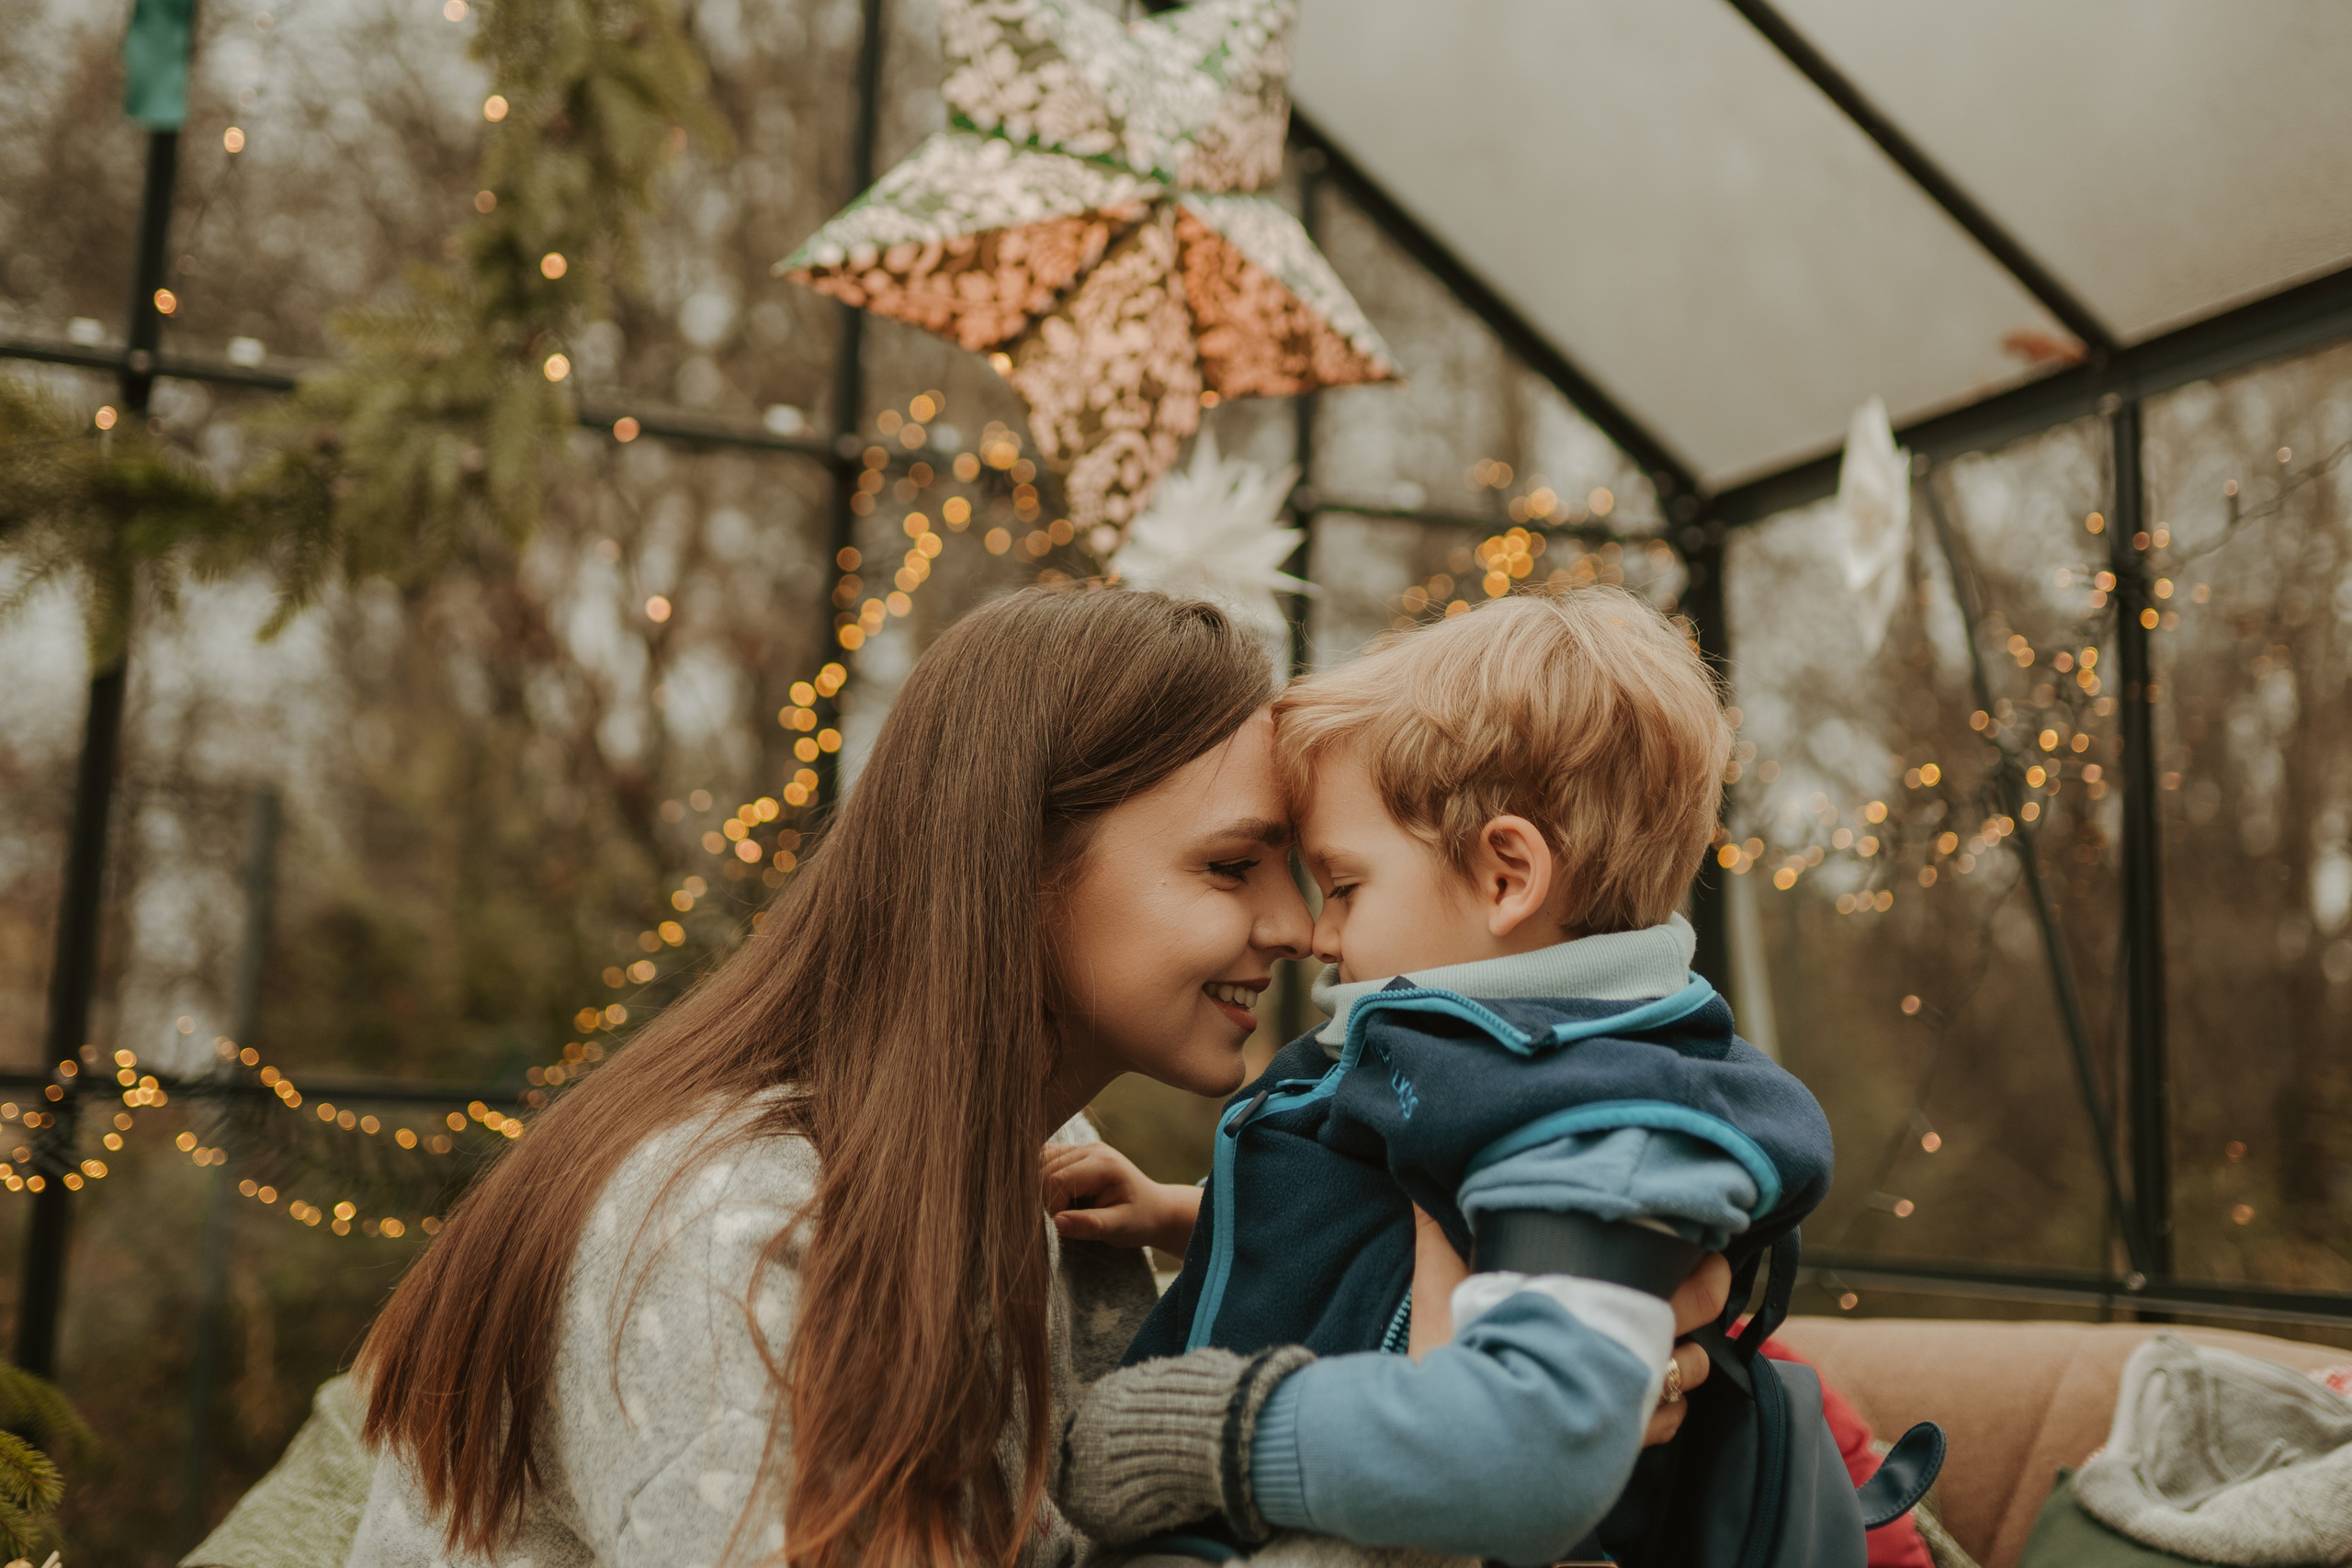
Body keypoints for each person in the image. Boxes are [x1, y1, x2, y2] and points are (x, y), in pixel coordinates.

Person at [339, 586, 1315, 1568]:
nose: (1297, 927)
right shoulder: (724, 1219)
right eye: (1232, 867)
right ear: (1020, 863)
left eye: (1303, 872)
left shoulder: (1054, 1166)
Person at [1046, 588, 1832, 1566]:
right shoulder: (1481, 1063)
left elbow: (1527, 1453)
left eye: (1343, 887)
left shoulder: (1597, 1128)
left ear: (1507, 877)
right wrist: (1180, 1211)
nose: (1315, 934)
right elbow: (1387, 1211)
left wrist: (1222, 1433)